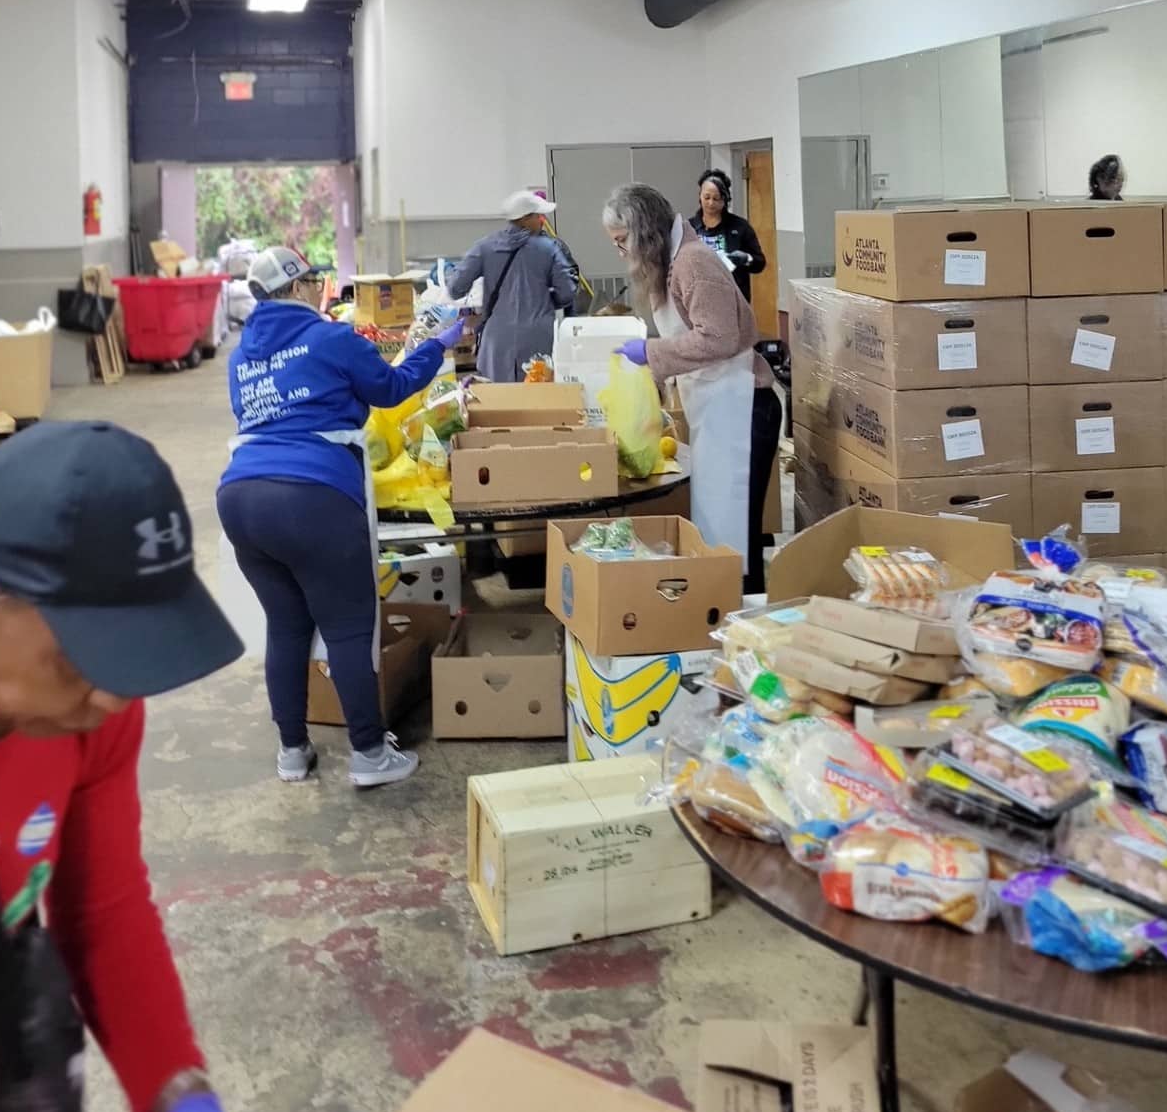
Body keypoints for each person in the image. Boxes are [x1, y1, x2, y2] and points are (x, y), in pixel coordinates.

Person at [0, 420, 248, 1112]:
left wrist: (180, 1099)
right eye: (81, 655)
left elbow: (102, 908)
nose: (112, 698)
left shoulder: (87, 707)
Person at [216, 247, 463, 788]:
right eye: (316, 280)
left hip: (241, 494)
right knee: (350, 629)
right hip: (313, 496)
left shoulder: (242, 356)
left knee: (286, 626)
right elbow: (390, 389)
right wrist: (434, 348)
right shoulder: (329, 337)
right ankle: (370, 756)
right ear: (302, 287)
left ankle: (292, 751)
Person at [602, 183, 781, 593]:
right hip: (720, 406)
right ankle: (725, 607)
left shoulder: (692, 264)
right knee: (720, 522)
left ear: (644, 232)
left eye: (622, 241)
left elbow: (717, 338)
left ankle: (743, 618)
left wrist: (651, 353)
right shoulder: (669, 265)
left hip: (745, 407)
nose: (622, 252)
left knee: (736, 525)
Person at [447, 190, 579, 383]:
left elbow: (455, 288)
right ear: (525, 219)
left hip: (497, 340)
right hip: (539, 338)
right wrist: (545, 299)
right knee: (539, 399)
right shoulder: (549, 248)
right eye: (537, 216)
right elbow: (567, 292)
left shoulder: (484, 247)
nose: (542, 220)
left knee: (499, 402)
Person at [691, 168, 767, 304]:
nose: (710, 203)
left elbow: (759, 263)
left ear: (725, 199)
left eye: (716, 198)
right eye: (706, 197)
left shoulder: (739, 226)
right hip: (699, 298)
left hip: (733, 298)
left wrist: (746, 258)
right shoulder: (690, 227)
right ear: (699, 196)